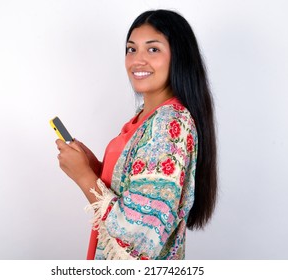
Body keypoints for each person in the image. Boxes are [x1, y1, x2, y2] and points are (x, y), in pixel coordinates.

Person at [55, 9, 217, 260]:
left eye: (153, 49)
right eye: (131, 49)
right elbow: (135, 191)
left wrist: (83, 176)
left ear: (179, 57)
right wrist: (95, 167)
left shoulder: (168, 124)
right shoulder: (146, 117)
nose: (137, 60)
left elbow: (141, 234)